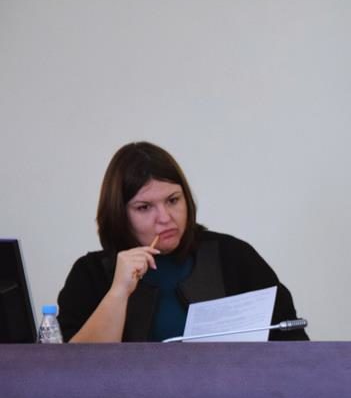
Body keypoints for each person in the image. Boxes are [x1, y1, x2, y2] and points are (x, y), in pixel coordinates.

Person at [57, 141, 308, 343]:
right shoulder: (90, 274)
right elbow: (76, 370)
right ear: (119, 214)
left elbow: (292, 341)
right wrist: (119, 291)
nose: (165, 218)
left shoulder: (232, 256)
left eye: (173, 200)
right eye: (144, 207)